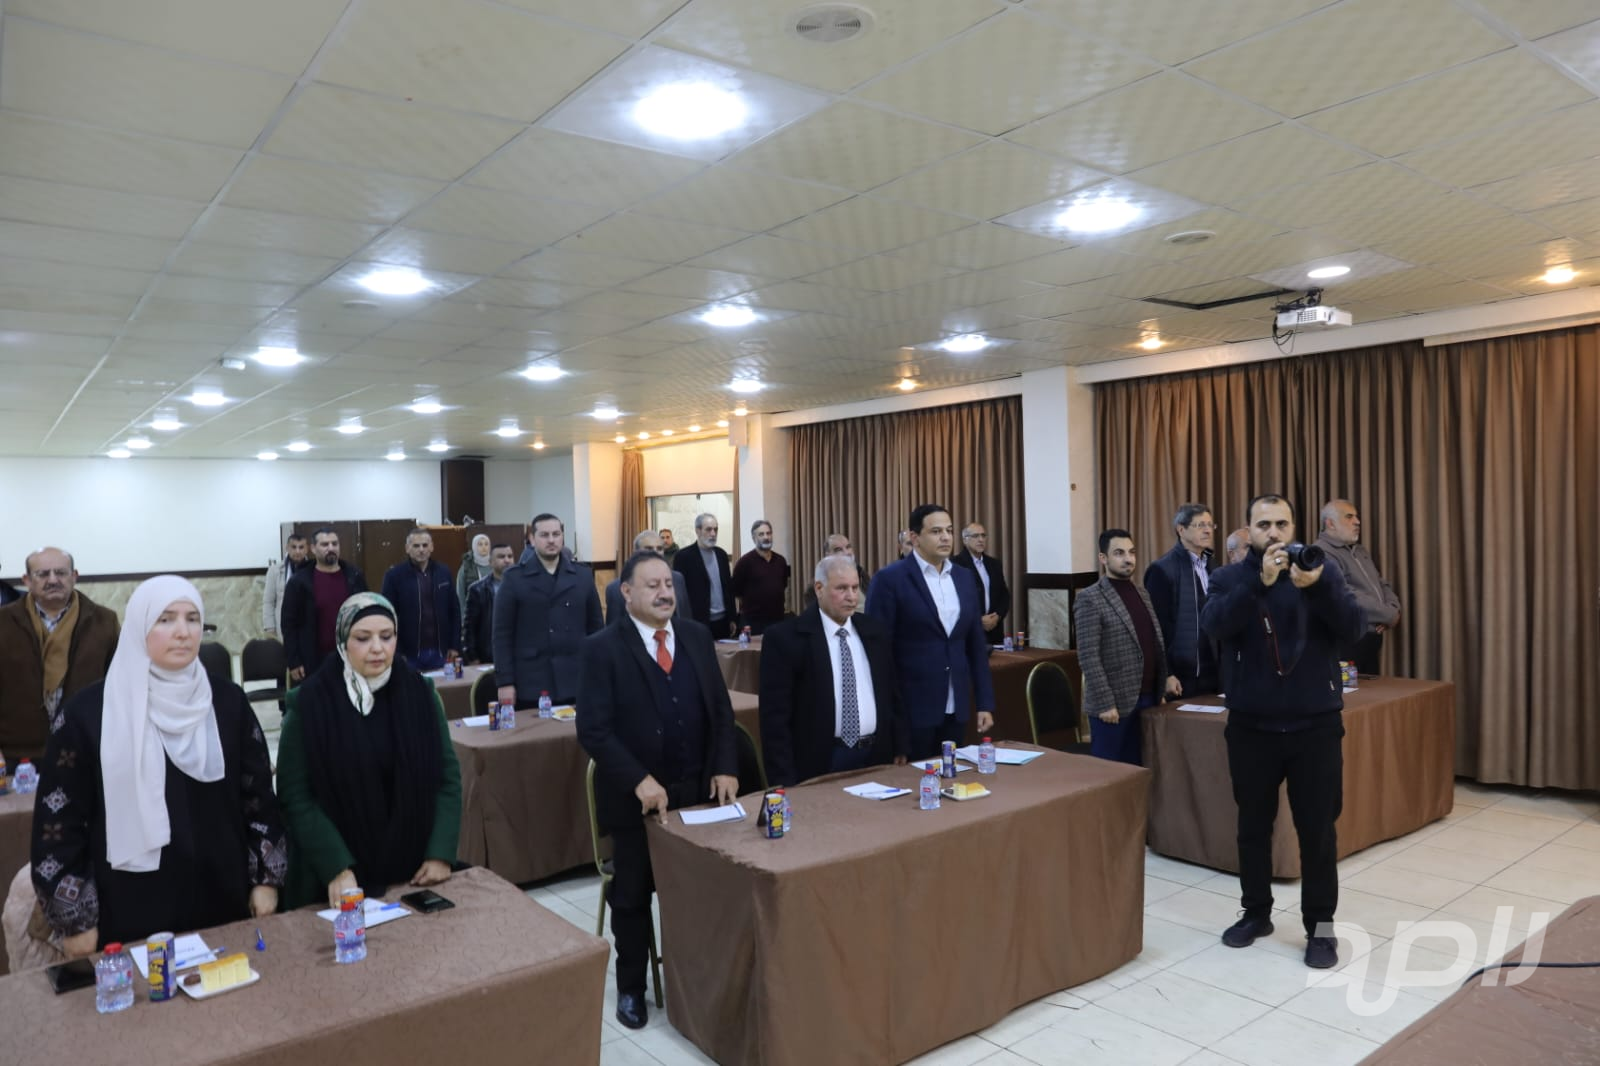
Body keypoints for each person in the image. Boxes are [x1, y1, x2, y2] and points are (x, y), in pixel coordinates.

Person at [30, 576, 285, 955]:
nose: (183, 632)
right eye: (165, 619)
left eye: (192, 619)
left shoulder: (227, 703)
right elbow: (57, 824)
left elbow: (259, 799)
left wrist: (266, 879)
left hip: (223, 898)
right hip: (129, 906)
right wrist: (76, 918)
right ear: (139, 626)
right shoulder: (88, 715)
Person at [1202, 494, 1363, 970]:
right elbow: (1214, 626)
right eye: (1263, 524)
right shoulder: (1230, 578)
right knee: (1253, 827)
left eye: (1282, 524)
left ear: (1294, 527)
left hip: (1315, 728)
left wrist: (1318, 587)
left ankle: (1321, 930)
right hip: (1252, 728)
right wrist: (1259, 583)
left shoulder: (1322, 570)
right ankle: (1256, 914)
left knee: (1318, 833)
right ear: (1249, 530)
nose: (1273, 533)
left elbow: (1354, 627)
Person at [577, 551, 737, 1030]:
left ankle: (702, 977)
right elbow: (594, 730)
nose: (665, 593)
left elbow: (721, 711)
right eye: (653, 585)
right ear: (626, 592)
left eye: (669, 584)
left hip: (699, 794)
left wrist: (725, 767)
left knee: (706, 888)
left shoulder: (696, 636)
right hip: (636, 803)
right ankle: (632, 987)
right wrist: (637, 778)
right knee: (631, 895)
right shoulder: (602, 649)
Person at [276, 593, 461, 909]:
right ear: (342, 641)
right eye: (363, 638)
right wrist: (336, 866)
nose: (377, 648)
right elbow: (295, 796)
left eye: (386, 637)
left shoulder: (421, 694)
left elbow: (447, 779)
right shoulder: (309, 703)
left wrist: (440, 853)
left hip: (415, 870)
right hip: (333, 876)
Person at [760, 554, 904, 786]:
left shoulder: (874, 631)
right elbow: (775, 719)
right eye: (842, 588)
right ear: (819, 589)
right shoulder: (785, 639)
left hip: (876, 755)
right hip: (820, 762)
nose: (851, 597)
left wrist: (900, 744)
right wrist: (783, 778)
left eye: (855, 588)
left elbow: (892, 693)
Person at [865, 504, 994, 758]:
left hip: (956, 706)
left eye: (949, 530)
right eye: (936, 531)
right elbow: (878, 654)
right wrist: (889, 718)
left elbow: (975, 646)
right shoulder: (890, 579)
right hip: (911, 710)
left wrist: (984, 702)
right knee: (914, 779)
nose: (945, 537)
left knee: (953, 774)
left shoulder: (964, 578)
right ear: (915, 538)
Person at [0, 547, 119, 765]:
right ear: (27, 580)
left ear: (74, 576)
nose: (53, 580)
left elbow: (118, 688)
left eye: (61, 573)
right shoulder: (4, 622)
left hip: (84, 750)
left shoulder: (104, 622)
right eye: (43, 574)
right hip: (17, 753)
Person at [1075, 530, 1180, 765]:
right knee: (1111, 773)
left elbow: (1154, 641)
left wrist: (1163, 680)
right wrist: (1105, 702)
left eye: (1131, 552)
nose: (1128, 559)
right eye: (1119, 553)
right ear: (1103, 558)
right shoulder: (1090, 598)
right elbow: (1088, 656)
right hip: (1113, 706)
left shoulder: (1142, 593)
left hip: (1148, 699)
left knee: (1142, 769)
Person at [494, 514, 603, 707]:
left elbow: (596, 630)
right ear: (532, 539)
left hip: (576, 676)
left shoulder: (582, 575)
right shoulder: (514, 578)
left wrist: (600, 672)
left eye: (556, 534)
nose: (551, 540)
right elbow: (502, 635)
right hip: (532, 679)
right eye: (544, 535)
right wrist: (505, 681)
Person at [1315, 499, 1401, 675]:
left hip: (1371, 638)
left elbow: (1381, 583)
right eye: (1349, 517)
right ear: (1330, 524)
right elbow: (1344, 594)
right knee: (1351, 693)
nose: (1357, 521)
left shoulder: (1360, 551)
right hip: (1346, 642)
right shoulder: (1321, 552)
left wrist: (1393, 609)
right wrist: (1388, 615)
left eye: (1356, 516)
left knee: (1373, 691)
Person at [1144, 504, 1221, 696]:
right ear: (1181, 529)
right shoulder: (1162, 569)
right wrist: (1167, 673)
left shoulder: (1213, 565)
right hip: (1181, 675)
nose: (1207, 530)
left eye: (1210, 525)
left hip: (1214, 670)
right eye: (1200, 525)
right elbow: (1155, 628)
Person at [282, 527, 366, 683]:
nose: (331, 548)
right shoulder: (299, 582)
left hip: (350, 657)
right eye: (325, 544)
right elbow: (289, 625)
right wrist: (294, 661)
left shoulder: (354, 576)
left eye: (335, 543)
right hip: (313, 659)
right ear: (313, 548)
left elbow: (366, 614)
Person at [379, 528, 460, 672]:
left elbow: (454, 611)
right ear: (407, 548)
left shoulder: (443, 572)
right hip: (408, 654)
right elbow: (387, 615)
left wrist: (454, 645)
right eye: (416, 546)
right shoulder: (394, 576)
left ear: (432, 547)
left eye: (425, 545)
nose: (421, 550)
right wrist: (397, 651)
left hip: (441, 652)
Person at [605, 530, 690, 626]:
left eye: (659, 548)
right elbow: (613, 629)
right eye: (649, 549)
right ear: (636, 552)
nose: (655, 553)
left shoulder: (678, 579)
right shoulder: (616, 589)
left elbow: (686, 618)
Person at [673, 512, 735, 640]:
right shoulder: (684, 557)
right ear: (698, 531)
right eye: (708, 529)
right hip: (697, 623)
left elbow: (728, 589)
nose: (713, 534)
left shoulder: (721, 555)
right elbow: (679, 594)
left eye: (715, 529)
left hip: (723, 622)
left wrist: (732, 618)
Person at [952, 522, 1011, 644]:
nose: (980, 540)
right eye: (975, 536)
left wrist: (997, 616)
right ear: (965, 540)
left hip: (994, 631)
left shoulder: (994, 564)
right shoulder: (954, 565)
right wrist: (978, 620)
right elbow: (953, 600)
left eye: (983, 535)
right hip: (969, 633)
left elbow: (1004, 595)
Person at [730, 519, 790, 635]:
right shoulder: (744, 562)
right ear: (754, 538)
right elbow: (736, 591)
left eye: (768, 533)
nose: (766, 537)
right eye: (761, 534)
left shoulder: (781, 561)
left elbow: (783, 585)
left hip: (778, 620)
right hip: (753, 623)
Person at [462, 543, 515, 664]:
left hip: (517, 654)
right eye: (501, 557)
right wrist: (472, 656)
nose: (507, 560)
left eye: (510, 556)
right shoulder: (478, 590)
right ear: (490, 562)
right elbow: (469, 628)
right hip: (488, 655)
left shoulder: (522, 586)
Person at [261, 533, 309, 638]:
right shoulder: (275, 570)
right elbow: (268, 601)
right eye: (294, 547)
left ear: (307, 549)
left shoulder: (313, 570)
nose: (297, 551)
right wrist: (270, 628)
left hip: (307, 627)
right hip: (283, 627)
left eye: (301, 547)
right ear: (287, 548)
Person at [455, 534, 494, 628]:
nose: (484, 547)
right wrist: (464, 618)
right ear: (474, 547)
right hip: (473, 614)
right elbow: (460, 594)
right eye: (480, 544)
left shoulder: (495, 564)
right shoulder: (466, 568)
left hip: (493, 614)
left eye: (486, 544)